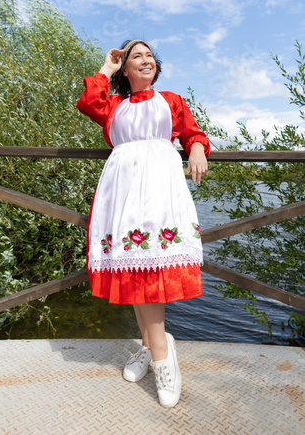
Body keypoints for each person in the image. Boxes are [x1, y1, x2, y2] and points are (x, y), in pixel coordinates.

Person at [76, 39, 210, 408]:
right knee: (132, 268)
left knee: (151, 270)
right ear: (125, 69)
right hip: (120, 194)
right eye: (137, 56)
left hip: (159, 194)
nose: (146, 59)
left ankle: (163, 356)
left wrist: (197, 147)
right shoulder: (114, 105)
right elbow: (88, 101)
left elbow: (192, 132)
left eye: (150, 55)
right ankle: (151, 348)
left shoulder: (171, 101)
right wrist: (106, 68)